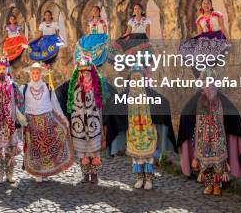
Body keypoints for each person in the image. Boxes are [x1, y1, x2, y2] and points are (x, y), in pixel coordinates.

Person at [178, 68, 241, 196]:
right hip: (203, 136)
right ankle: (209, 184)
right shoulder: (198, 98)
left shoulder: (221, 99)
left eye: (210, 82)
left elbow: (232, 113)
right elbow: (186, 112)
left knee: (218, 162)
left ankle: (217, 185)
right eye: (205, 82)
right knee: (206, 163)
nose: (208, 85)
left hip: (218, 137)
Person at [55, 56, 118, 184]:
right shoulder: (72, 86)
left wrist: (106, 121)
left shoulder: (99, 86)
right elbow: (58, 94)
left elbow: (112, 94)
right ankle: (85, 175)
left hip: (95, 125)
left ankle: (94, 175)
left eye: (87, 71)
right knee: (83, 154)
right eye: (82, 72)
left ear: (92, 72)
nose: (85, 74)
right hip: (79, 126)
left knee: (95, 154)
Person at [120, 66, 176, 190]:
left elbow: (164, 102)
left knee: (148, 156)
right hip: (133, 131)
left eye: (138, 78)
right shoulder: (125, 95)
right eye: (133, 78)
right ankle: (139, 178)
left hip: (148, 130)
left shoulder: (150, 94)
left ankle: (149, 178)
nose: (136, 81)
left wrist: (156, 118)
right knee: (136, 157)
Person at [20, 62, 74, 181]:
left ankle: (45, 170)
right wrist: (20, 117)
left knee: (46, 146)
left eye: (37, 73)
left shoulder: (47, 87)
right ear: (30, 74)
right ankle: (37, 172)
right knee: (35, 147)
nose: (35, 75)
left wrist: (63, 119)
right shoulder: (24, 88)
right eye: (33, 73)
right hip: (31, 122)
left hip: (47, 121)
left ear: (41, 74)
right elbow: (19, 105)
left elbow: (54, 104)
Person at [179, 0, 231, 75]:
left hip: (217, 36)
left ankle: (211, 71)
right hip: (205, 38)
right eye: (204, 3)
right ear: (202, 6)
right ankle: (203, 73)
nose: (206, 5)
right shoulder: (199, 19)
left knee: (215, 54)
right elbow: (200, 33)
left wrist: (228, 39)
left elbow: (223, 27)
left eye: (208, 3)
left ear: (211, 5)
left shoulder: (217, 14)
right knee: (192, 52)